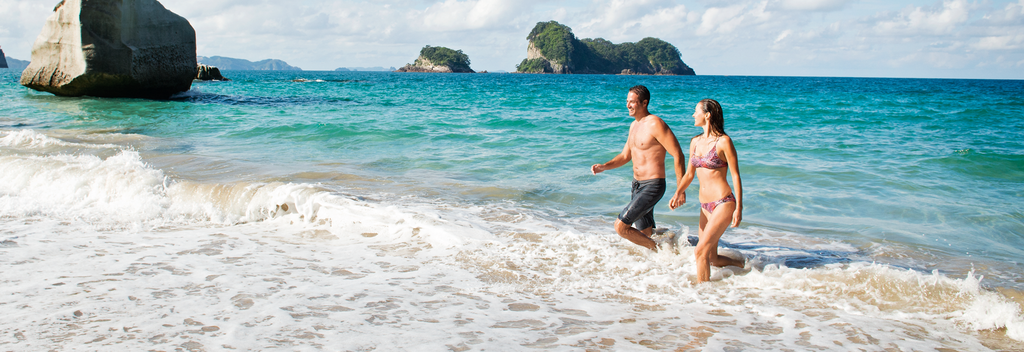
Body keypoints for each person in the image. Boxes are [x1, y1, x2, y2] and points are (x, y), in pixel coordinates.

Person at [591, 85, 687, 251]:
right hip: (637, 185)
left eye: (632, 102)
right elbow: (625, 156)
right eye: (627, 101)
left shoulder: (656, 124)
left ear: (644, 103)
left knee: (621, 227)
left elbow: (678, 154)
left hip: (653, 186)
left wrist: (681, 189)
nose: (628, 105)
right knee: (645, 234)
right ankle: (667, 255)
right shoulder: (634, 126)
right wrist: (604, 167)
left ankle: (663, 252)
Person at [678, 98, 744, 283]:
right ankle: (744, 265)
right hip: (705, 206)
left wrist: (738, 207)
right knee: (711, 258)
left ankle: (703, 296)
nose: (693, 114)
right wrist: (678, 192)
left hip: (723, 202)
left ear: (707, 115)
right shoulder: (695, 142)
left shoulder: (724, 142)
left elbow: (736, 176)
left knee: (700, 251)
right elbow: (689, 174)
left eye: (696, 111)